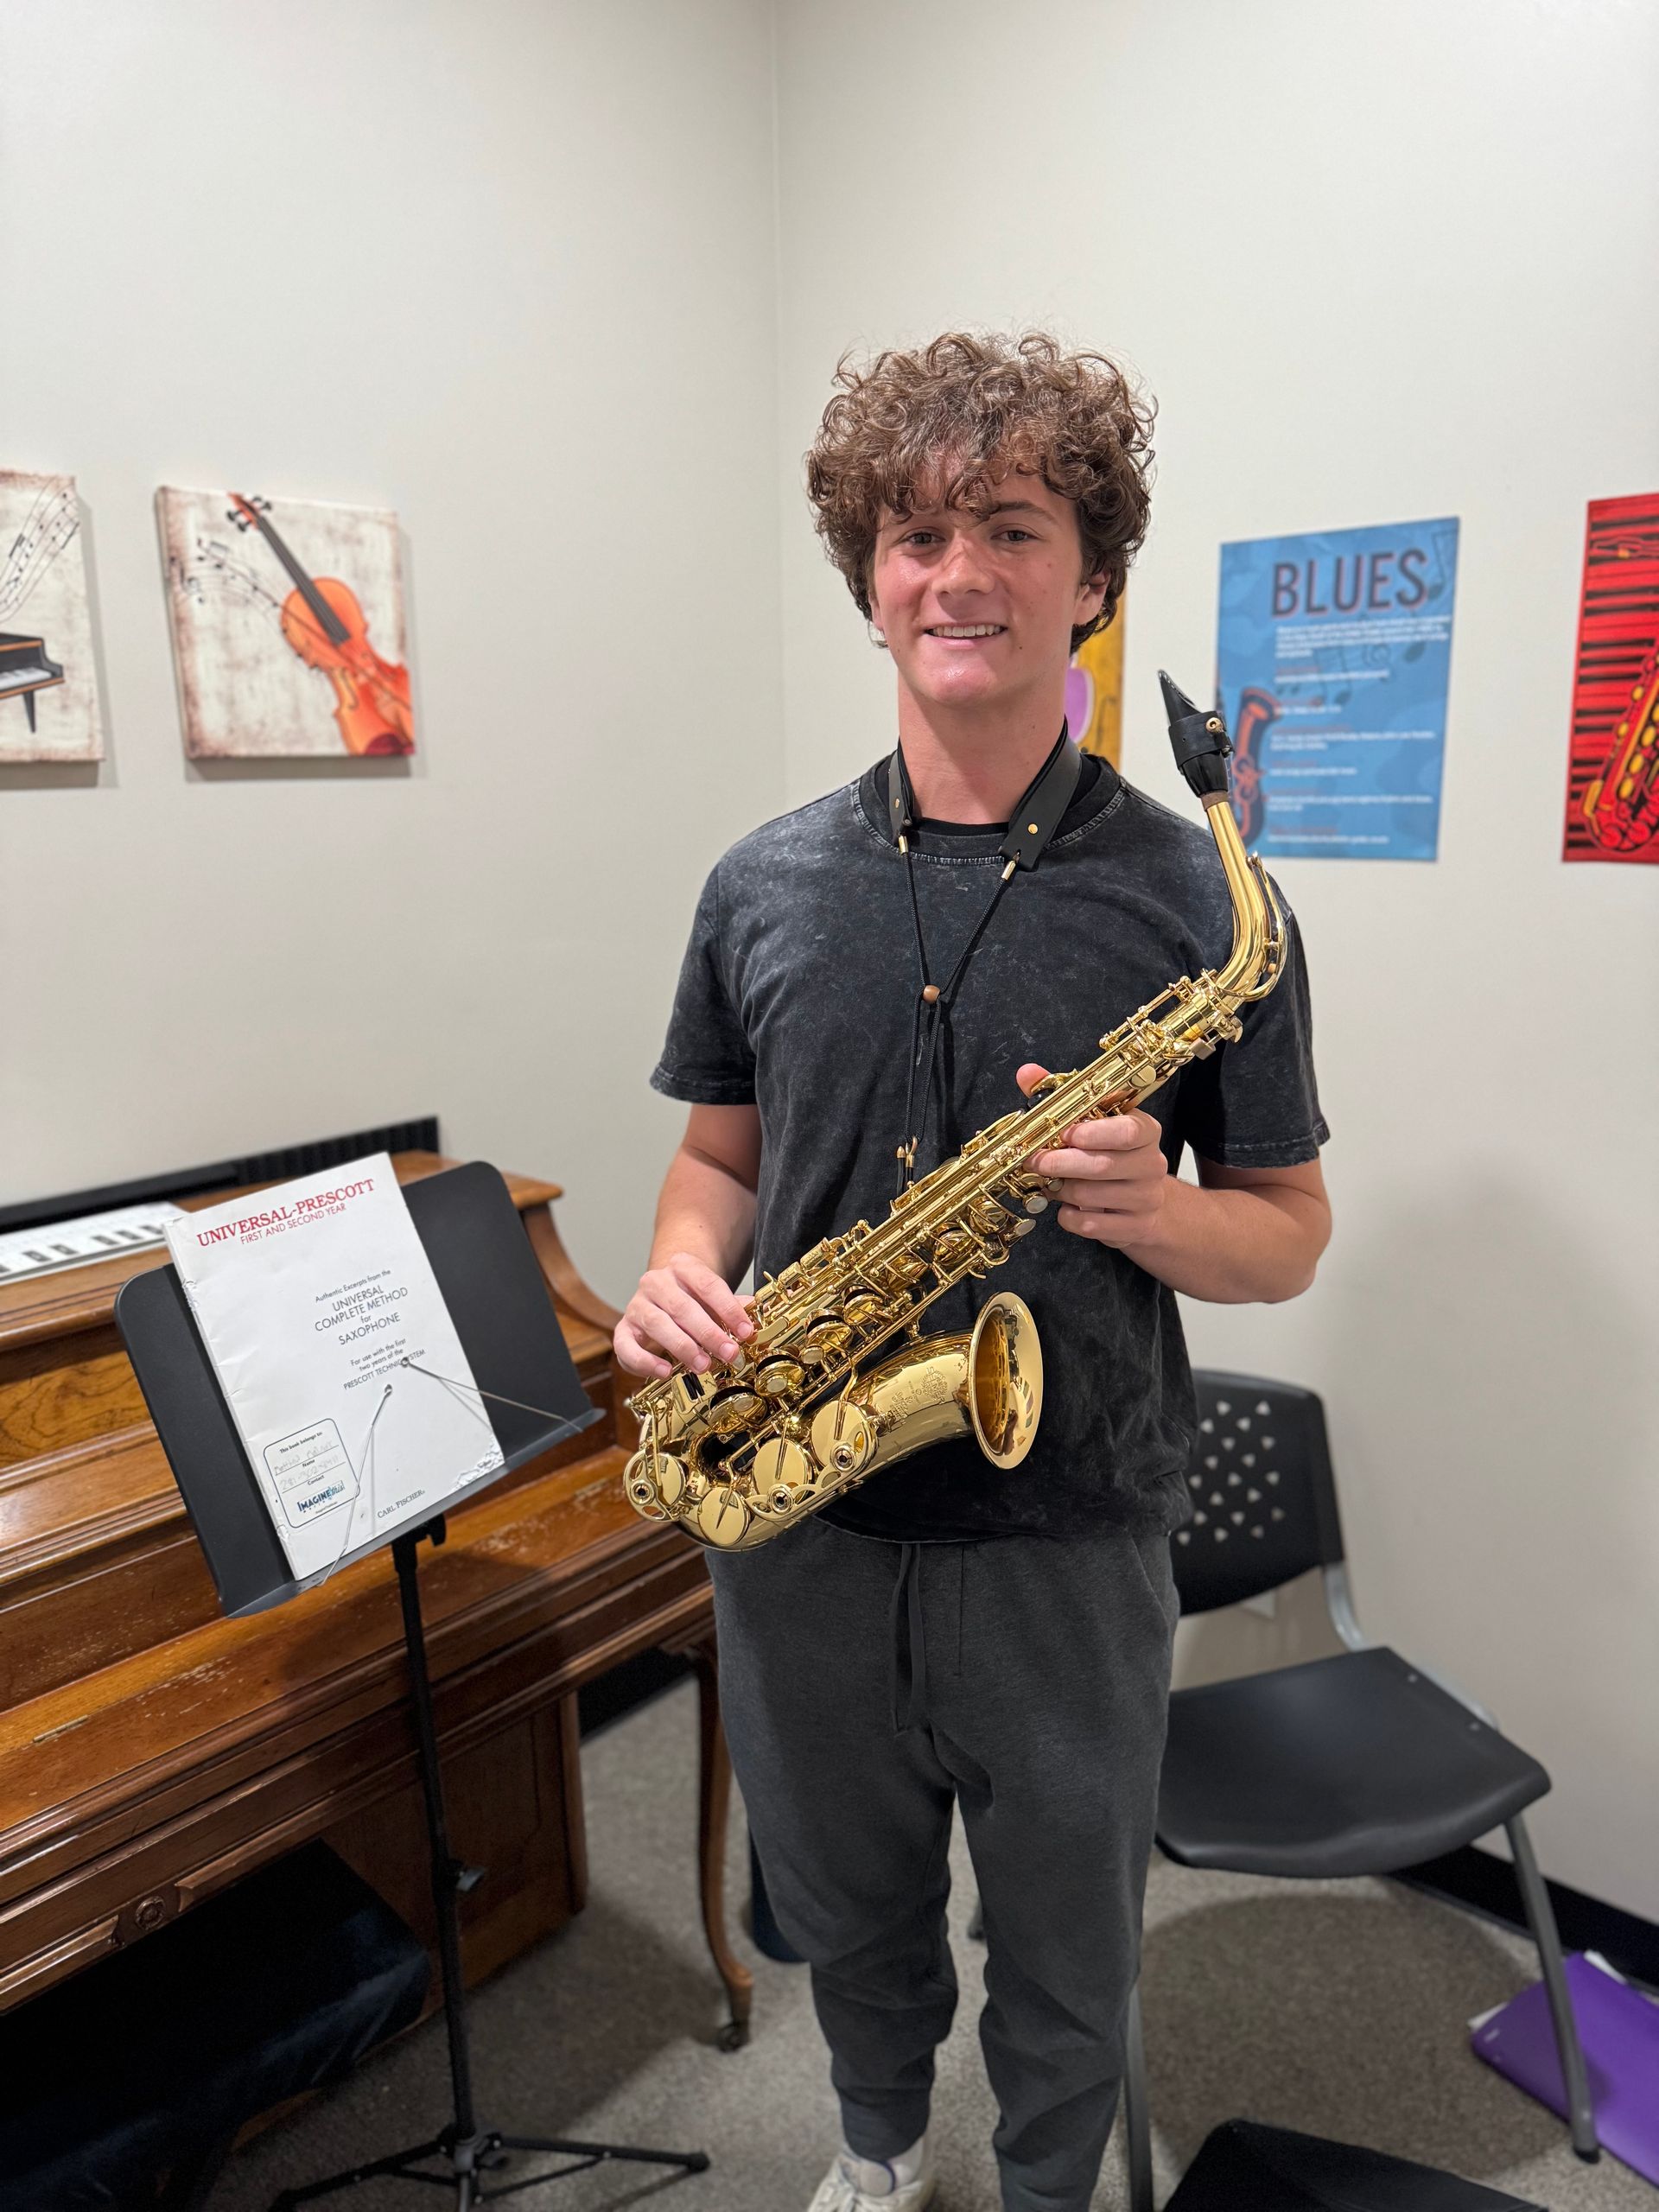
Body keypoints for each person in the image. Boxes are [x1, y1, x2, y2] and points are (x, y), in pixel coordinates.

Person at [615, 331, 1332, 2212]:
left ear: (1092, 577)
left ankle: (1040, 2189)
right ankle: (871, 2151)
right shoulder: (759, 883)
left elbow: (1288, 1223)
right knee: (846, 1910)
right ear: (867, 576)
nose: (961, 573)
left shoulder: (1204, 902)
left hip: (1070, 1528)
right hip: (802, 1529)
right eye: (916, 532)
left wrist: (1151, 1211)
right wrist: (679, 1272)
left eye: (1014, 526)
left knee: (1068, 1951)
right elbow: (714, 1159)